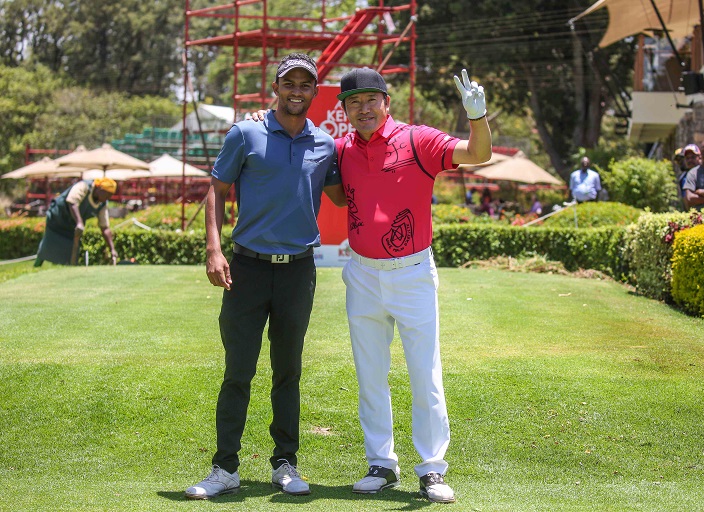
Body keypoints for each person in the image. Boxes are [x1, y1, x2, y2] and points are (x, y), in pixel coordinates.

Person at [185, 53, 346, 500]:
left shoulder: (327, 145)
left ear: (315, 92)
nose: (297, 91)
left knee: (287, 371)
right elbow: (216, 189)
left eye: (305, 85)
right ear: (275, 87)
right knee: (238, 370)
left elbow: (342, 195)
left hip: (298, 272)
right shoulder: (245, 131)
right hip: (248, 268)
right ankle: (224, 469)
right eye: (289, 83)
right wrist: (214, 249)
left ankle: (285, 464)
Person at [336, 67, 491, 504]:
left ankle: (432, 469)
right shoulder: (342, 149)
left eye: (371, 100)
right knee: (370, 375)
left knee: (424, 373)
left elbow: (477, 154)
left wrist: (477, 117)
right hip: (362, 273)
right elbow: (332, 192)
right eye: (354, 102)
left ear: (386, 102)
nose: (363, 109)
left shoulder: (417, 139)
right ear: (345, 109)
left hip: (413, 271)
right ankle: (381, 464)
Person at [33, 177, 119, 267]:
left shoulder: (102, 204)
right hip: (58, 216)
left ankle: (66, 270)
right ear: (99, 189)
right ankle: (37, 266)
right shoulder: (84, 186)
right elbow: (72, 202)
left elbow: (104, 227)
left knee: (69, 249)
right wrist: (79, 222)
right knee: (48, 243)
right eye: (107, 194)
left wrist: (112, 249)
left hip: (72, 224)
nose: (108, 198)